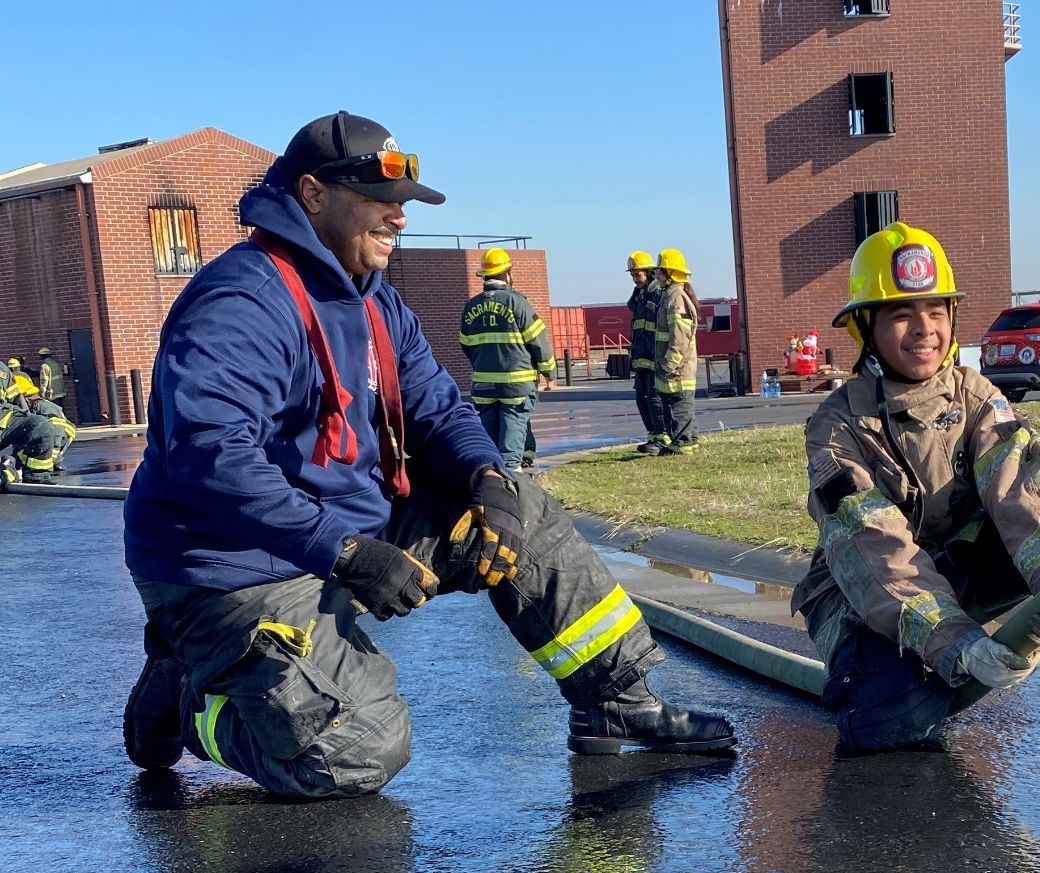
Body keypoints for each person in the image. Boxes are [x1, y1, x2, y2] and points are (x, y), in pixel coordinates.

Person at [121, 111, 735, 800]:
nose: (399, 218)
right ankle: (189, 698)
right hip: (232, 569)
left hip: (344, 534)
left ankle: (616, 701)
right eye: (381, 201)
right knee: (354, 751)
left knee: (519, 514)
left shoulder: (375, 300)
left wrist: (485, 476)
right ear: (314, 194)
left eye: (404, 203)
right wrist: (348, 554)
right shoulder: (243, 300)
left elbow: (438, 406)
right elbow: (210, 460)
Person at [791, 222, 1040, 770]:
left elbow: (1024, 487)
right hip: (861, 598)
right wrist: (956, 643)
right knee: (894, 723)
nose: (924, 330)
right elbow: (874, 551)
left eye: (936, 311)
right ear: (867, 326)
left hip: (963, 567)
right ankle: (903, 692)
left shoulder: (975, 396)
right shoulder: (836, 429)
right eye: (901, 315)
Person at [459, 248, 556, 471]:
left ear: (484, 275)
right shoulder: (517, 303)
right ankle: (512, 478)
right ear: (507, 273)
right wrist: (549, 373)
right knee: (512, 427)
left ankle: (491, 475)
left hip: (483, 383)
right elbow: (538, 341)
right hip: (516, 383)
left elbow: (466, 344)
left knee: (489, 432)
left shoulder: (470, 307)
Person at [651, 248, 699, 454]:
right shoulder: (670, 295)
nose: (656, 276)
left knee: (681, 404)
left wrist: (669, 364)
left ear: (671, 274)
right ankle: (683, 441)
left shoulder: (676, 298)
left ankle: (684, 444)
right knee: (675, 404)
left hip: (678, 367)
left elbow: (679, 337)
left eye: (660, 272)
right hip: (673, 365)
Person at [625, 251, 668, 454]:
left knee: (654, 398)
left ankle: (662, 437)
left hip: (654, 355)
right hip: (640, 356)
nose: (635, 279)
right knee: (641, 398)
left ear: (649, 273)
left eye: (638, 274)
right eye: (632, 275)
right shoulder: (638, 295)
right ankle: (652, 435)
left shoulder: (658, 294)